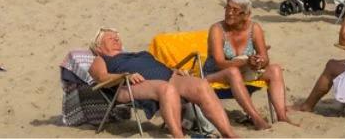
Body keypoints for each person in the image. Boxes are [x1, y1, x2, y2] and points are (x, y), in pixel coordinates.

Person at [88, 28, 237, 138]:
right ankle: (179, 136)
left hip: (169, 76)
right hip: (129, 84)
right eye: (110, 38)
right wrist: (124, 75)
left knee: (201, 85)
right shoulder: (100, 60)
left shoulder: (137, 54)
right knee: (166, 89)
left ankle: (228, 134)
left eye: (117, 37)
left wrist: (174, 70)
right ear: (99, 47)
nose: (116, 39)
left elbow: (156, 67)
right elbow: (101, 77)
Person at [205, 0, 294, 127]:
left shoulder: (254, 28)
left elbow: (265, 58)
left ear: (246, 15)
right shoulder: (217, 29)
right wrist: (246, 61)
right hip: (216, 73)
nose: (229, 13)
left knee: (275, 69)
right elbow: (220, 62)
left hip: (244, 73)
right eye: (227, 8)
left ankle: (281, 116)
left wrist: (258, 61)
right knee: (233, 72)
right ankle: (256, 118)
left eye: (235, 10)